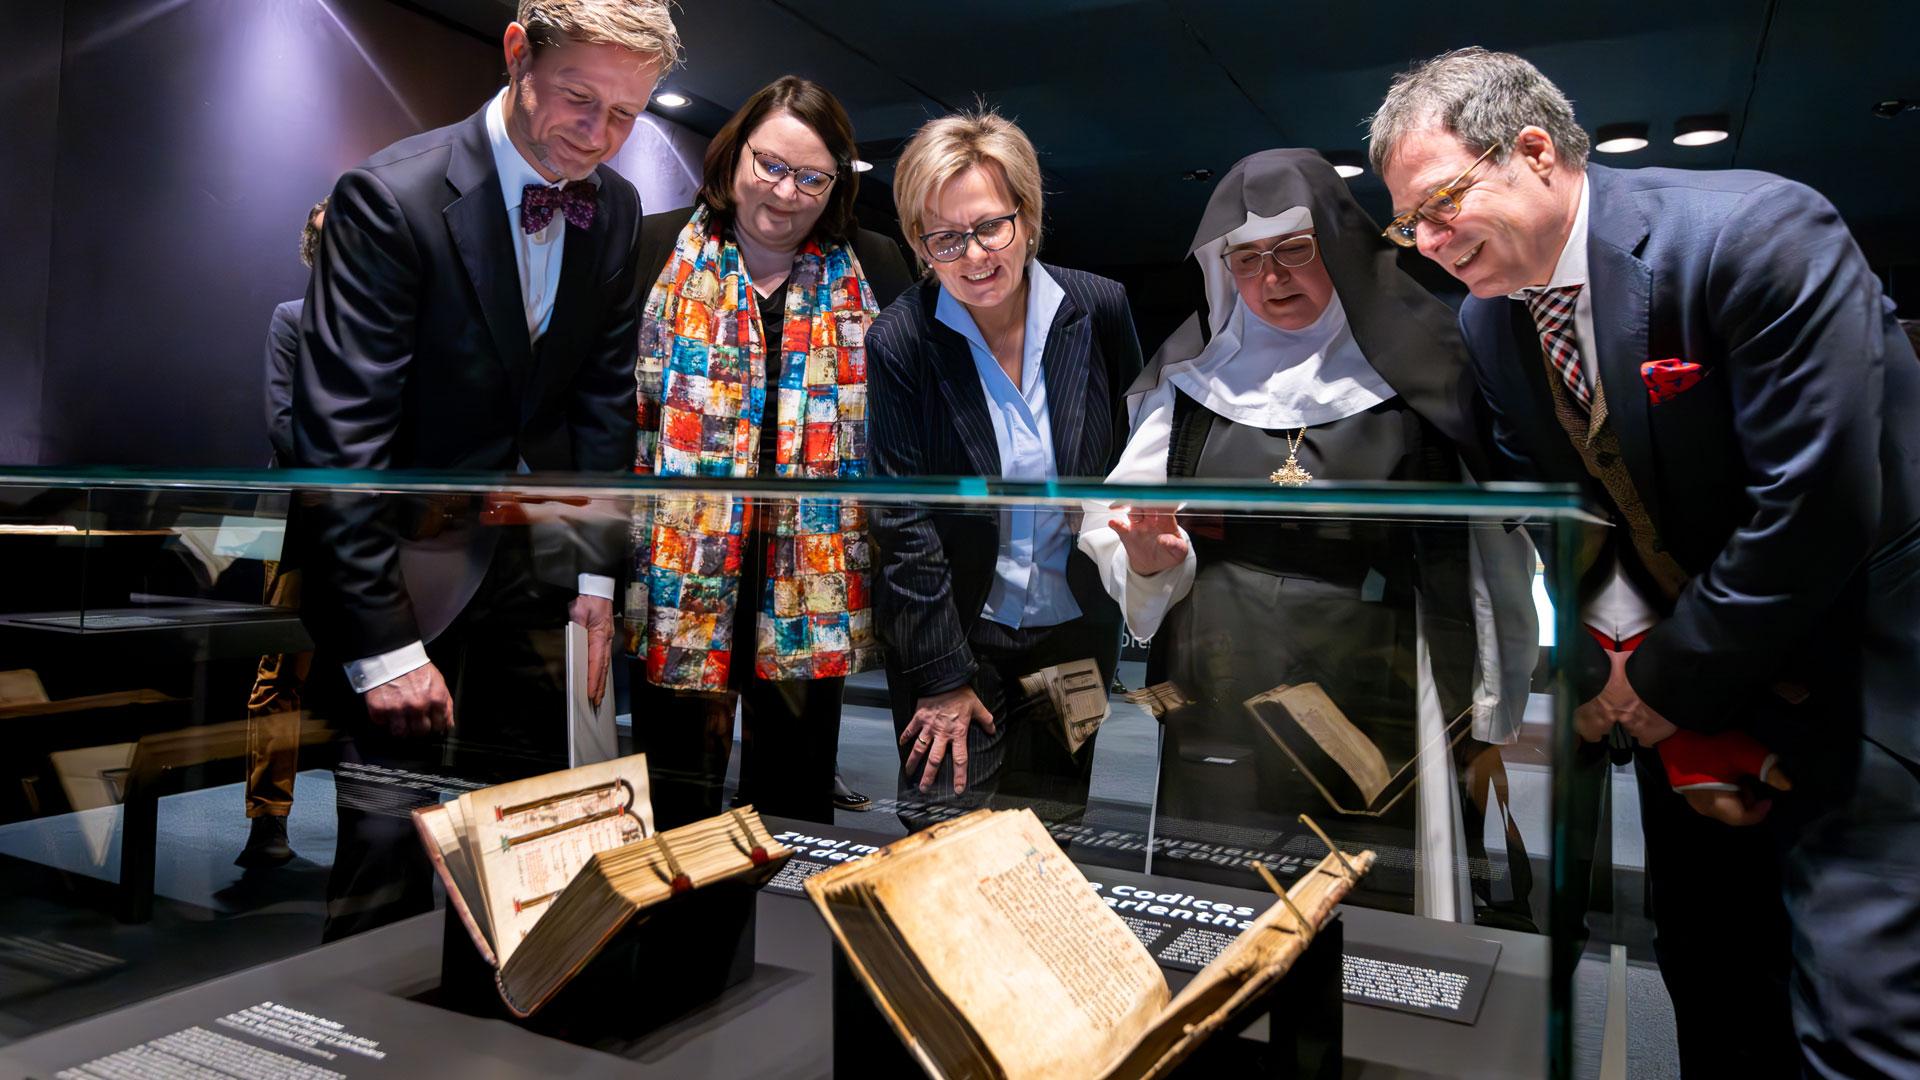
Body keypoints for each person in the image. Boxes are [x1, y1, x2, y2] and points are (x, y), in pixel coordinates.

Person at [1373, 47, 1920, 1079]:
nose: (1430, 243)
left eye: (1441, 205)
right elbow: (1570, 521)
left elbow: (1818, 507)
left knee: (1862, 1021)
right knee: (1714, 982)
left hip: (1859, 679)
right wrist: (1615, 676)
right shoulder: (1490, 325)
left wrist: (1660, 683)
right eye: (1412, 225)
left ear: (1534, 150)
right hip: (1681, 696)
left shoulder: (1757, 234)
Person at [293, 0, 676, 941]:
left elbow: (597, 412)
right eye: (580, 99)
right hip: (405, 583)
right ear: (517, 55)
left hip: (538, 585)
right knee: (385, 854)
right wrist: (383, 651)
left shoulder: (616, 209)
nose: (600, 136)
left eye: (626, 114)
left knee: (536, 850)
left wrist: (593, 583)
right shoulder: (390, 198)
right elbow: (343, 441)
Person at [1076, 149, 1537, 919]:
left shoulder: (1425, 374)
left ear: (1341, 249)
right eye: (1247, 258)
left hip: (1378, 674)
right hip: (1217, 676)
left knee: (1368, 899)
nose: (1271, 278)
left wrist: (1492, 706)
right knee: (1218, 891)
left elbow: (1491, 552)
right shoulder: (1190, 384)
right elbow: (1119, 523)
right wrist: (1150, 562)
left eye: (1295, 250)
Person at [626, 76, 911, 828]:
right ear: (733, 158)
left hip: (814, 573)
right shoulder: (653, 248)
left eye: (813, 177)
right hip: (678, 569)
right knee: (677, 800)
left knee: (794, 793)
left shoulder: (876, 266)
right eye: (773, 166)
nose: (788, 193)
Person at [867, 108, 1143, 830]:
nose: (975, 256)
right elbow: (902, 521)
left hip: (1076, 635)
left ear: (1028, 213)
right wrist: (942, 678)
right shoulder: (902, 339)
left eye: (991, 226)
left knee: (1050, 844)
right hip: (958, 638)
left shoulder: (1100, 309)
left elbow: (1134, 465)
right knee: (941, 849)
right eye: (945, 238)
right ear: (920, 244)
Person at [235, 197, 328, 870]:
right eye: (327, 240)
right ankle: (267, 820)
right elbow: (283, 425)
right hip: (303, 523)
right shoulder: (291, 320)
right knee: (279, 671)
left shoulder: (388, 329)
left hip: (370, 529)